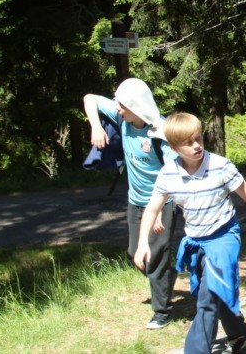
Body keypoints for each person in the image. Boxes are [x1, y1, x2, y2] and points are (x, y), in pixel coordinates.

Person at [134, 112, 246, 354]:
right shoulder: (168, 174)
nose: (197, 145)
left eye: (198, 138)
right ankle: (239, 337)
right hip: (196, 241)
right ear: (174, 148)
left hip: (224, 237)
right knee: (216, 292)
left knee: (208, 296)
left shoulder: (220, 165)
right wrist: (142, 244)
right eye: (188, 143)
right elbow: (152, 209)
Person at [83, 78, 179, 330]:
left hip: (162, 203)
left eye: (122, 104)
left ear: (136, 106)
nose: (117, 107)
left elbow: (174, 173)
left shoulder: (161, 132)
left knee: (155, 254)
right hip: (135, 201)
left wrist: (161, 208)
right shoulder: (122, 118)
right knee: (134, 252)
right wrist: (96, 127)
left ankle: (162, 312)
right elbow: (90, 99)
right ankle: (165, 278)